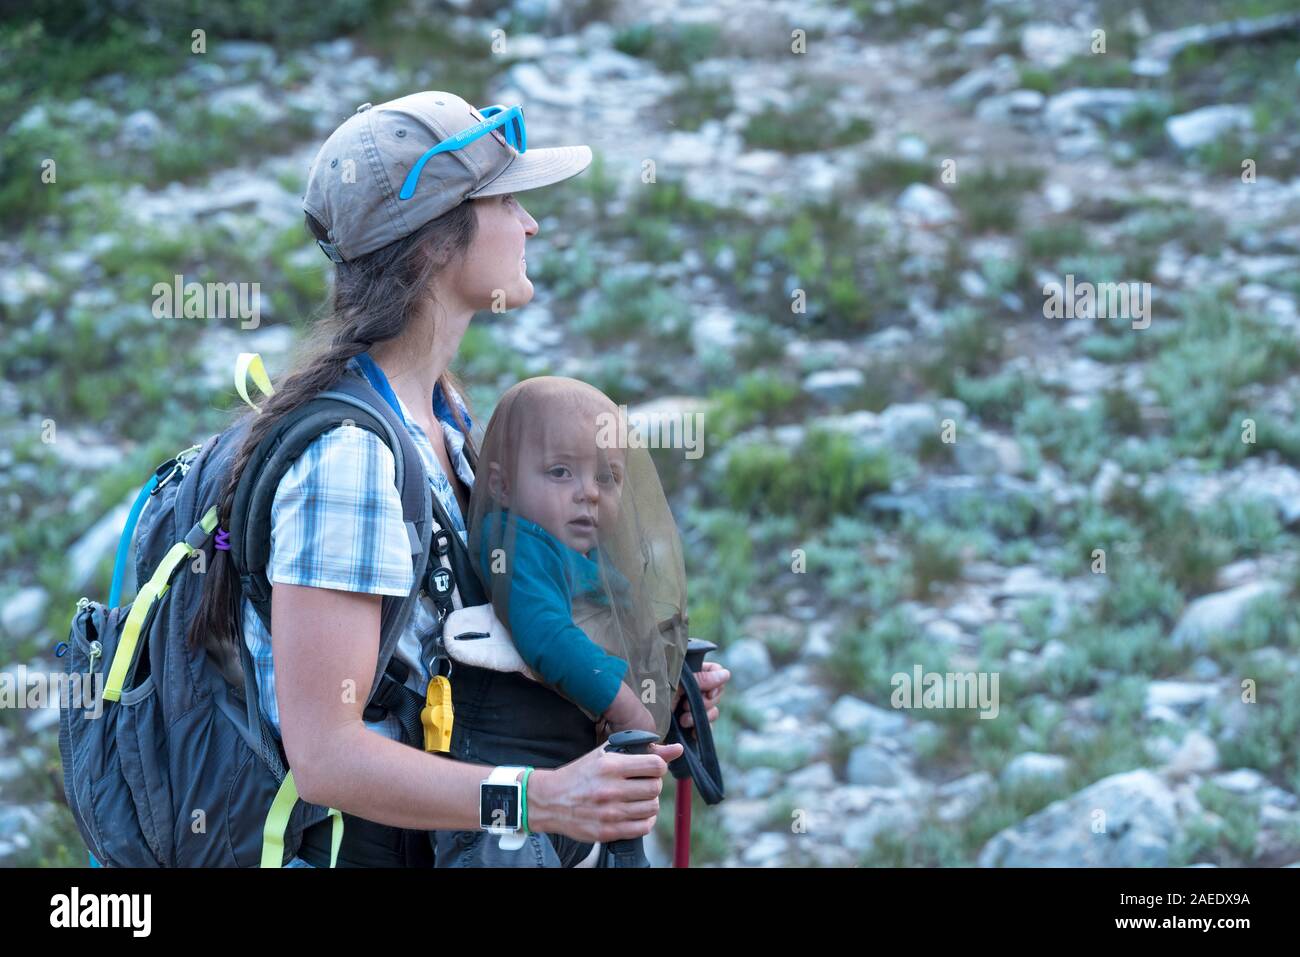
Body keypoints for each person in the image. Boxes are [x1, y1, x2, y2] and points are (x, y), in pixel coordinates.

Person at [184, 91, 730, 867]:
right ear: (435, 243)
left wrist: (649, 691)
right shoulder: (351, 458)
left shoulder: (443, 420)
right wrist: (539, 796)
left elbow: (471, 653)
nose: (531, 223)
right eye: (506, 199)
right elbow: (326, 754)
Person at [432, 375, 693, 867]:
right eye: (560, 472)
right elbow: (546, 635)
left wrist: (678, 685)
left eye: (607, 478)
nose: (588, 494)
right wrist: (630, 710)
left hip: (565, 800)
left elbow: (619, 634)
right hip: (503, 806)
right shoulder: (516, 541)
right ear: (502, 485)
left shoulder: (591, 559)